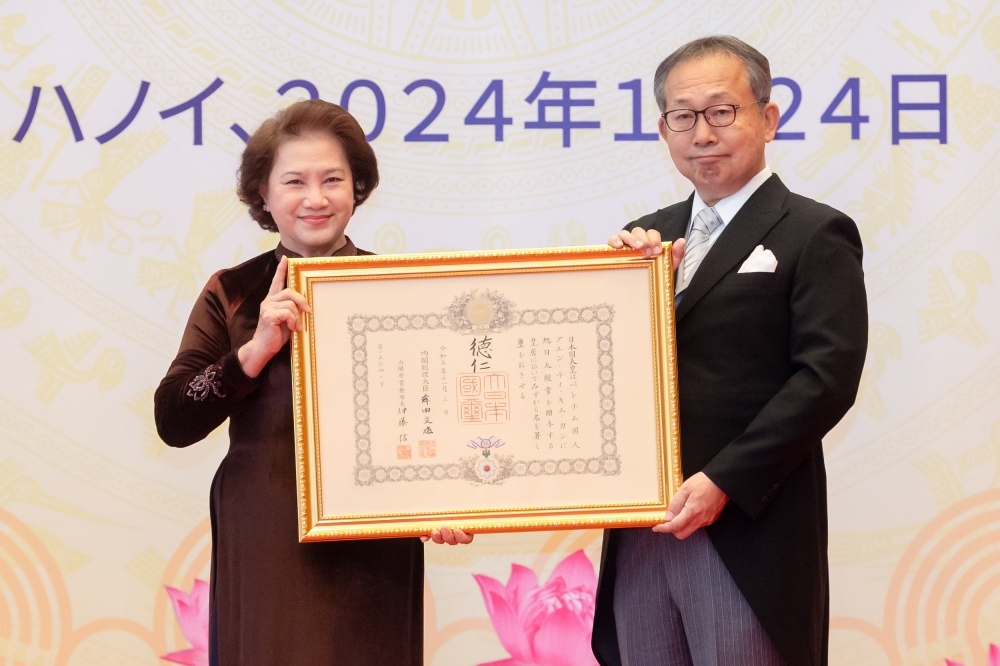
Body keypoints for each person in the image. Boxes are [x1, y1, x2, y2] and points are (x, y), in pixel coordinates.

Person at [154, 99, 471, 666]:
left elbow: (444, 416)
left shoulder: (402, 289)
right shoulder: (233, 291)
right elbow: (174, 419)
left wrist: (449, 500)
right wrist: (253, 353)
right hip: (266, 526)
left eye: (333, 180)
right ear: (264, 195)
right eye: (295, 181)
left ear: (358, 188)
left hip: (374, 535)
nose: (316, 198)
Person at [591, 36, 868, 666]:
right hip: (643, 526)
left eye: (723, 111)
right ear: (664, 130)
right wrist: (612, 298)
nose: (703, 133)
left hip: (746, 527)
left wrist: (723, 480)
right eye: (683, 117)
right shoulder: (647, 238)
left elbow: (825, 379)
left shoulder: (814, 231)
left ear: (767, 118)